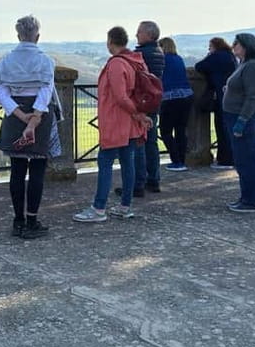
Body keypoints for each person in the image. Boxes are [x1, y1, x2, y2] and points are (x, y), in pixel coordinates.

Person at [74, 27, 151, 223]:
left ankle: (99, 208)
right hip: (131, 123)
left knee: (105, 163)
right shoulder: (136, 61)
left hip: (118, 121)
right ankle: (125, 206)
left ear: (110, 41)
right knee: (128, 163)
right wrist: (140, 115)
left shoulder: (117, 64)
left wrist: (137, 114)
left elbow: (120, 96)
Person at [0, 15, 60, 240]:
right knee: (38, 170)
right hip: (39, 117)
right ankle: (32, 220)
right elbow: (46, 91)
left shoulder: (5, 61)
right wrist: (34, 119)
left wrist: (20, 114)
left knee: (17, 169)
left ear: (18, 35)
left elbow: (1, 92)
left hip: (15, 116)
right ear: (37, 36)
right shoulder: (46, 61)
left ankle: (18, 220)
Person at [115, 20, 164, 198]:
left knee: (139, 142)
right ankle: (154, 180)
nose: (136, 35)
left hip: (141, 102)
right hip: (154, 101)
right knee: (151, 141)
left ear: (149, 35)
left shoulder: (141, 54)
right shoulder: (158, 52)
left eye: (139, 32)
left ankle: (137, 184)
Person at [223, 33, 255, 213]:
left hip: (247, 120)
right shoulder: (244, 64)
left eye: (237, 44)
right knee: (242, 161)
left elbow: (253, 97)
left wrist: (242, 121)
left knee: (249, 161)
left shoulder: (252, 67)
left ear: (246, 46)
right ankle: (246, 197)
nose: (234, 46)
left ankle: (251, 201)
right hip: (236, 116)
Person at [195, 37, 237, 169]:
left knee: (221, 127)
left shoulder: (217, 56)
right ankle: (231, 157)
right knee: (228, 127)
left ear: (215, 46)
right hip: (231, 96)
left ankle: (225, 160)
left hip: (220, 95)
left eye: (210, 46)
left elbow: (199, 66)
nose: (209, 49)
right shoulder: (231, 56)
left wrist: (209, 56)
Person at [159, 37, 194, 172]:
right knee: (180, 129)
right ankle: (182, 161)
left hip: (170, 97)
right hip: (186, 96)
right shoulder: (179, 59)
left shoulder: (163, 60)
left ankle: (176, 160)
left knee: (165, 131)